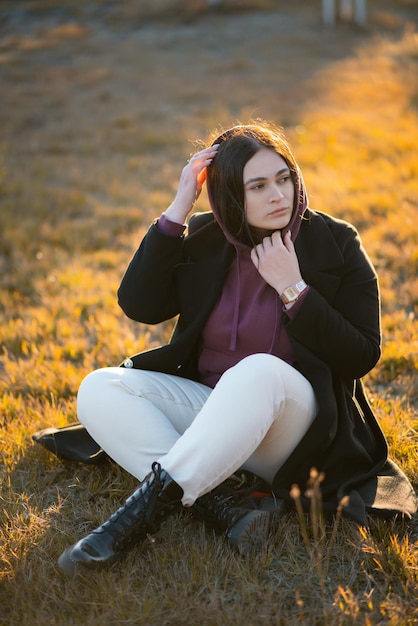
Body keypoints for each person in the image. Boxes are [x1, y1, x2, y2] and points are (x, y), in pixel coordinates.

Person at [57, 120, 417, 577]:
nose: (279, 195)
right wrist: (178, 209)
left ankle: (128, 523)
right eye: (259, 185)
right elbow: (140, 304)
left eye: (285, 178)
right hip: (215, 416)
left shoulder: (335, 241)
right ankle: (222, 503)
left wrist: (294, 290)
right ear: (229, 194)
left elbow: (362, 353)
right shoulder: (207, 239)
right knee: (99, 387)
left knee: (259, 370)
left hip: (295, 427)